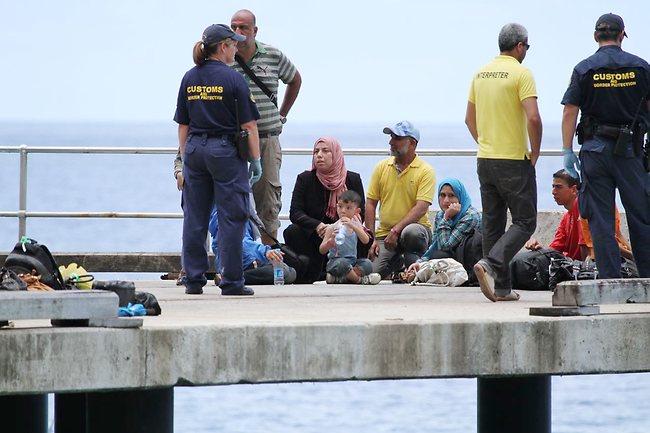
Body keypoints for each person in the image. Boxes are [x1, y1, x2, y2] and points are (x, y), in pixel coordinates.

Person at [174, 24, 262, 296]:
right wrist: (255, 160)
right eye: (233, 44)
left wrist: (186, 157)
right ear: (223, 47)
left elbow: (183, 125)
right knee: (232, 218)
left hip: (194, 150)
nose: (236, 48)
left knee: (194, 218)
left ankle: (193, 280)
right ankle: (233, 282)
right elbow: (249, 125)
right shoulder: (233, 79)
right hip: (224, 151)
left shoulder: (189, 77)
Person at [561, 12, 650, 279]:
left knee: (600, 219)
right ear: (622, 35)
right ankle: (646, 278)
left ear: (596, 36)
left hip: (595, 151)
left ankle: (611, 278)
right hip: (631, 153)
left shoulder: (584, 69)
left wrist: (567, 152)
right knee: (641, 215)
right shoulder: (641, 68)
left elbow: (570, 112)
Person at [465, 23, 542, 302]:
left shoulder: (480, 73)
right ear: (520, 46)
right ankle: (491, 264)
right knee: (525, 221)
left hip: (485, 158)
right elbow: (533, 117)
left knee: (493, 223)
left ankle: (502, 288)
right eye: (527, 47)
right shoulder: (522, 73)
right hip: (512, 159)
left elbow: (469, 120)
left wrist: (485, 142)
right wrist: (535, 152)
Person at [231, 9, 302, 245]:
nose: (238, 33)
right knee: (233, 201)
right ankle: (237, 260)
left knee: (268, 203)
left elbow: (295, 79)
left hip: (267, 139)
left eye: (243, 28)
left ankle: (268, 261)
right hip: (235, 140)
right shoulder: (225, 58)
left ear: (254, 30)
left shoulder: (272, 54)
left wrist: (282, 114)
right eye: (234, 27)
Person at [284, 137, 366, 283]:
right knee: (292, 231)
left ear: (335, 154)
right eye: (316, 151)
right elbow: (295, 212)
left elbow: (361, 213)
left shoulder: (352, 179)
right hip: (316, 233)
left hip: (343, 232)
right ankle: (313, 271)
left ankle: (346, 270)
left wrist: (340, 225)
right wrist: (318, 225)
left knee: (364, 234)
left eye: (325, 151)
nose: (319, 155)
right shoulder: (305, 179)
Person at [366, 121, 436, 280]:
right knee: (371, 272)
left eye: (397, 138)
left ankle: (414, 261)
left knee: (412, 233)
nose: (391, 142)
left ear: (412, 143)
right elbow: (370, 203)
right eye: (391, 137)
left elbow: (421, 207)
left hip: (415, 231)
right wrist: (371, 239)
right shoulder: (381, 167)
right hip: (385, 234)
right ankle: (397, 264)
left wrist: (396, 230)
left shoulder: (425, 171)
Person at [406, 178, 481, 279]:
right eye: (442, 195)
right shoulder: (441, 215)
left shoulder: (470, 216)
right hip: (453, 257)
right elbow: (435, 244)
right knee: (414, 259)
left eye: (451, 196)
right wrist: (420, 263)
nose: (446, 200)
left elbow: (446, 246)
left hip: (470, 261)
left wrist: (446, 218)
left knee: (439, 255)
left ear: (460, 197)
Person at [209, 206, 296, 285]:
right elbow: (240, 241)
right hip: (238, 263)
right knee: (283, 272)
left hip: (245, 260)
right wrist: (265, 252)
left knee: (290, 272)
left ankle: (231, 278)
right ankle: (231, 279)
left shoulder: (230, 209)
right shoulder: (230, 210)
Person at [319, 190, 381, 285]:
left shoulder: (357, 226)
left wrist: (354, 227)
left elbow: (366, 241)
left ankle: (342, 278)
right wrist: (329, 243)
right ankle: (360, 280)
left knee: (367, 264)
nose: (343, 211)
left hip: (353, 262)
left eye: (348, 208)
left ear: (357, 211)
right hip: (336, 261)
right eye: (340, 207)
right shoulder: (332, 227)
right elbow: (321, 250)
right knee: (342, 264)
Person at [523, 169, 587, 260]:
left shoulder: (581, 206)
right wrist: (539, 249)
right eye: (553, 187)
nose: (553, 192)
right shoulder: (566, 218)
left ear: (573, 189)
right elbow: (554, 251)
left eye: (559, 187)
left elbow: (586, 248)